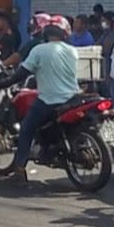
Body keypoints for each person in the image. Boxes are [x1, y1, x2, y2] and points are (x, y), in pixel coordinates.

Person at [11, 16, 80, 184]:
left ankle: (19, 169)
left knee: (26, 129)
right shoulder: (72, 50)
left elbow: (23, 72)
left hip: (50, 99)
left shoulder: (39, 50)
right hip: (73, 98)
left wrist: (6, 81)